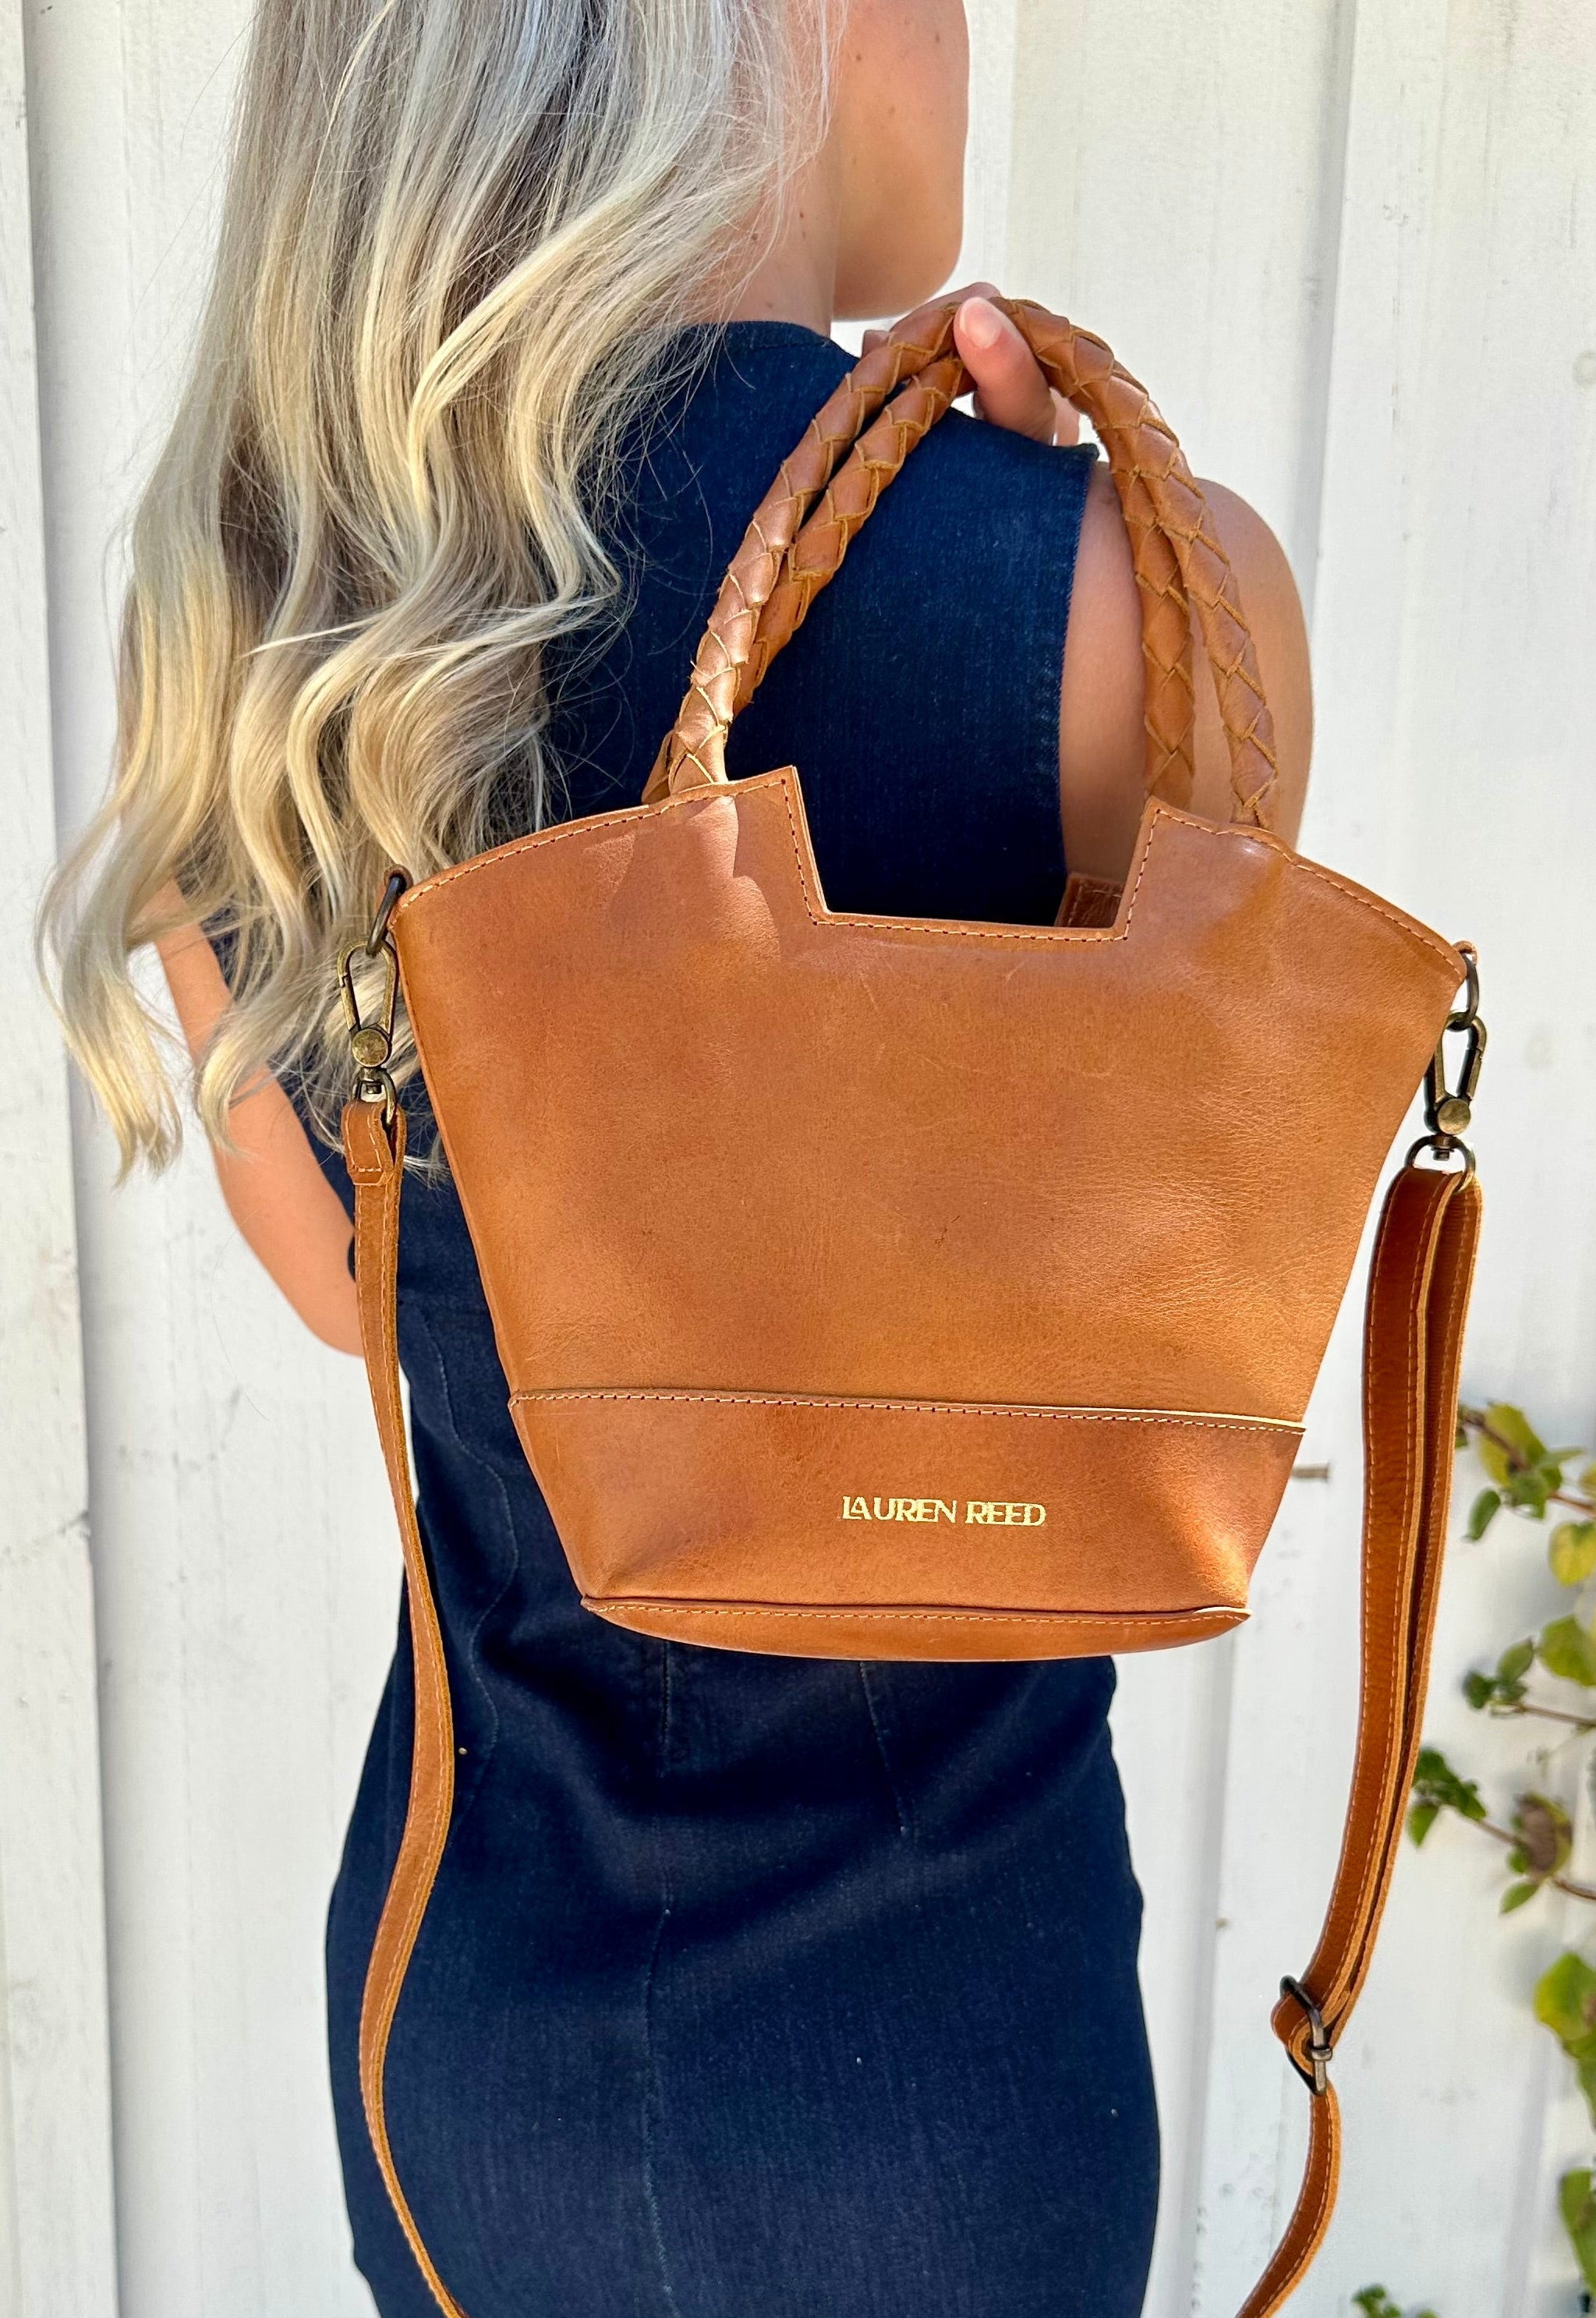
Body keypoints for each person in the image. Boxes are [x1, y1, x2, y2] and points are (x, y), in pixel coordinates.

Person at [43, 4, 1311, 2313]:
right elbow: (1171, 1247)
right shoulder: (1138, 605)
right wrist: (1067, 562)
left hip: (467, 1990)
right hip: (941, 2045)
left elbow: (360, 1288)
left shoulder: (260, 628)